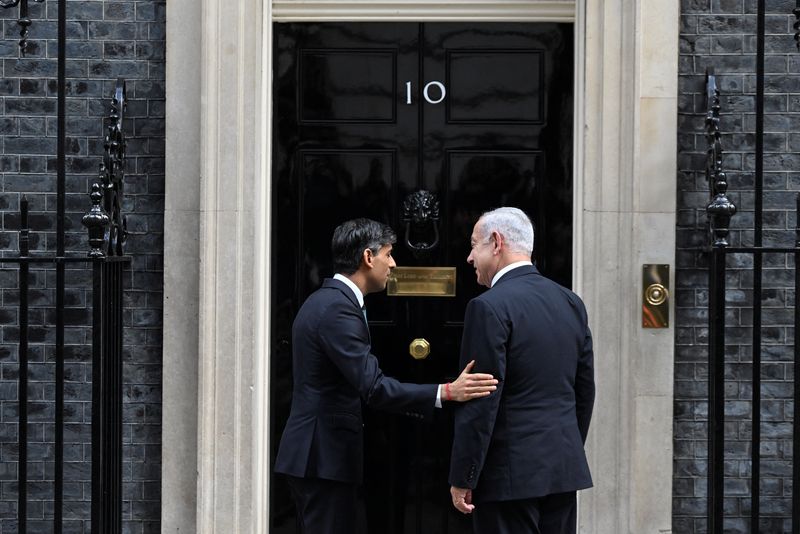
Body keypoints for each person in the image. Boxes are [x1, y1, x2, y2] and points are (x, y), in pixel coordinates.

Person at [274, 217, 498, 534]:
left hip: (321, 457)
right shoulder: (337, 309)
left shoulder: (330, 301)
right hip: (322, 458)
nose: (393, 264)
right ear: (368, 257)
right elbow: (374, 387)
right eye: (388, 254)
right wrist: (446, 391)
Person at [449, 207, 595, 534]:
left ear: (496, 243)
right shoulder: (571, 302)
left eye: (474, 245)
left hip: (508, 474)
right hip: (560, 467)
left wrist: (464, 476)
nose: (470, 257)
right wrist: (564, 449)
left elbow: (481, 398)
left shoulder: (488, 306)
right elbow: (584, 391)